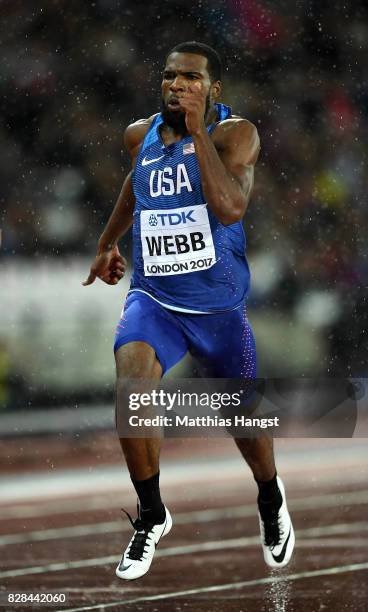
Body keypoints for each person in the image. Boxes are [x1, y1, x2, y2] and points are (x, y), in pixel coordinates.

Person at [83, 41, 295, 580]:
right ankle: (151, 513)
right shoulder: (140, 135)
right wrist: (109, 242)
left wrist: (198, 132)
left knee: (243, 422)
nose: (178, 85)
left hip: (219, 309)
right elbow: (137, 184)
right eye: (170, 76)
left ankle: (270, 496)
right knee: (131, 385)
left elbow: (229, 208)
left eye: (192, 78)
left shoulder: (235, 135)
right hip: (154, 300)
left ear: (213, 89)